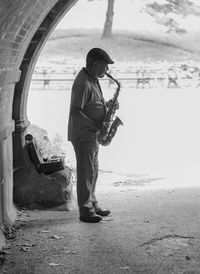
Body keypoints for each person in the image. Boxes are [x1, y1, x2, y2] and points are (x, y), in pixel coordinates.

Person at [68, 48, 116, 223]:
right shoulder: (83, 83)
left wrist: (109, 105)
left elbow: (93, 104)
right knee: (86, 172)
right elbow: (75, 111)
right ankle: (85, 210)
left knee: (93, 171)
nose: (107, 70)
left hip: (92, 135)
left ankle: (92, 203)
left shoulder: (92, 79)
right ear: (96, 65)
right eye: (105, 66)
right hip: (84, 134)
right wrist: (97, 125)